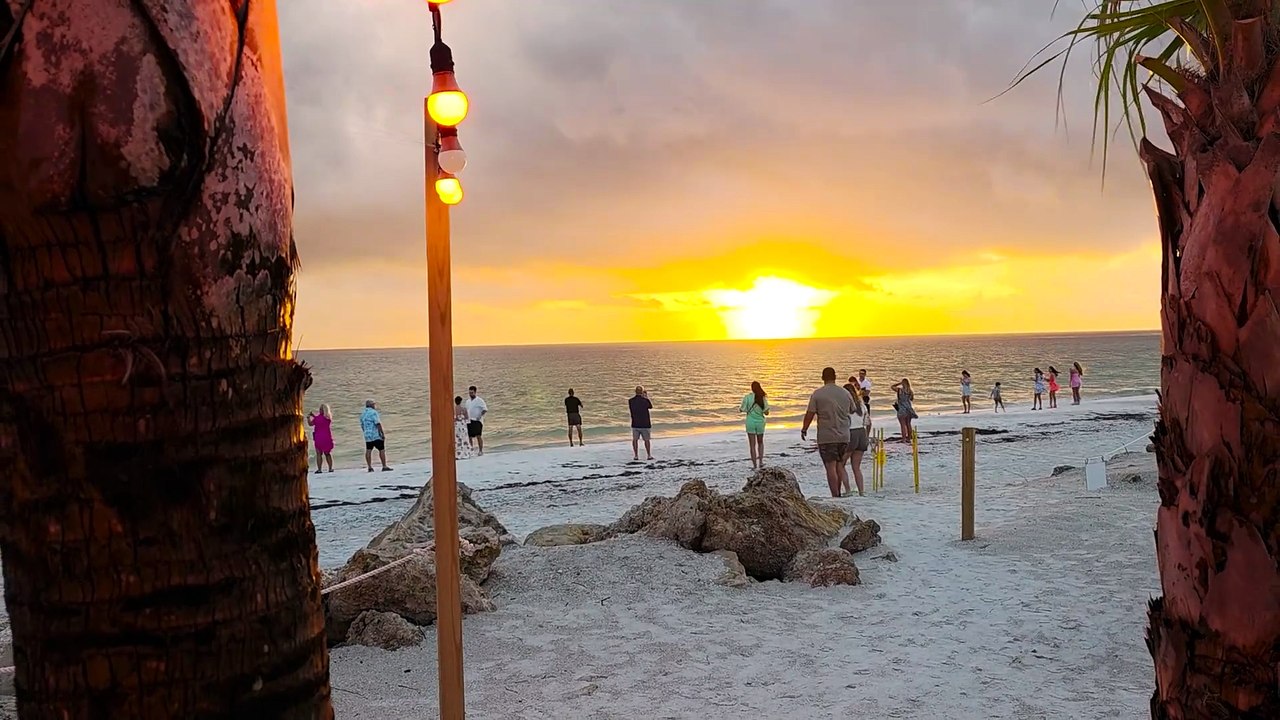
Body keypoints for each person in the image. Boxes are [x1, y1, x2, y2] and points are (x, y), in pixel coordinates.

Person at [802, 367, 855, 498]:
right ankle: (838, 492)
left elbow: (810, 414)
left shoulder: (817, 394)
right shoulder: (845, 393)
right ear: (835, 377)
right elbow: (853, 409)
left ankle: (835, 495)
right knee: (839, 465)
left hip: (826, 436)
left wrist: (804, 429)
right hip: (844, 435)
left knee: (830, 467)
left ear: (822, 378)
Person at [843, 382, 869, 496]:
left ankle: (847, 490)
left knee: (840, 464)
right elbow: (868, 422)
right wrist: (867, 436)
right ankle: (861, 491)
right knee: (856, 467)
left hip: (851, 433)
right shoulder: (861, 404)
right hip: (862, 432)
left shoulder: (846, 405)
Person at [740, 381, 770, 469]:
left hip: (750, 422)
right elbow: (767, 412)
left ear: (752, 388)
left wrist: (741, 409)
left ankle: (754, 465)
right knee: (760, 442)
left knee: (752, 445)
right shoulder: (762, 398)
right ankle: (761, 462)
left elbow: (742, 409)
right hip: (760, 422)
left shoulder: (747, 397)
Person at [360, 399, 391, 472]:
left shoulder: (363, 414)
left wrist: (365, 432)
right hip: (375, 434)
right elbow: (377, 423)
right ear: (371, 405)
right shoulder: (373, 412)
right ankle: (384, 466)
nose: (375, 406)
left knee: (368, 450)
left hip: (367, 435)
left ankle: (370, 467)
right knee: (381, 449)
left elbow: (362, 425)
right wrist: (382, 433)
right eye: (374, 404)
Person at [307, 404, 335, 473]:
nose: (319, 410)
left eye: (320, 409)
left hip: (318, 437)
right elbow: (321, 420)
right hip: (326, 437)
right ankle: (330, 468)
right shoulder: (328, 419)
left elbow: (310, 424)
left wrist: (308, 418)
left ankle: (319, 469)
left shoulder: (317, 419)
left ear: (321, 410)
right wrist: (314, 416)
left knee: (319, 454)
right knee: (327, 454)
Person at [629, 386, 654, 461]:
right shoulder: (645, 400)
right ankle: (649, 455)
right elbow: (650, 406)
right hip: (645, 423)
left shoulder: (631, 401)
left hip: (635, 423)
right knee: (646, 440)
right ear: (642, 392)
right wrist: (646, 397)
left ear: (635, 392)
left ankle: (636, 455)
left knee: (635, 440)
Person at [465, 386, 488, 455]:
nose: (470, 394)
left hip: (477, 420)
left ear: (475, 392)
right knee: (470, 436)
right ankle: (471, 450)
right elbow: (467, 410)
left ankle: (480, 450)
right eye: (469, 393)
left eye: (472, 393)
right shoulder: (468, 401)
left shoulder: (479, 400)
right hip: (469, 420)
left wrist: (479, 416)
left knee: (478, 435)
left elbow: (485, 409)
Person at [453, 396, 472, 460]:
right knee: (464, 438)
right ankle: (465, 453)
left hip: (456, 425)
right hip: (463, 425)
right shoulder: (464, 409)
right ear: (460, 401)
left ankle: (457, 454)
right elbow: (467, 419)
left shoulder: (452, 409)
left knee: (457, 440)